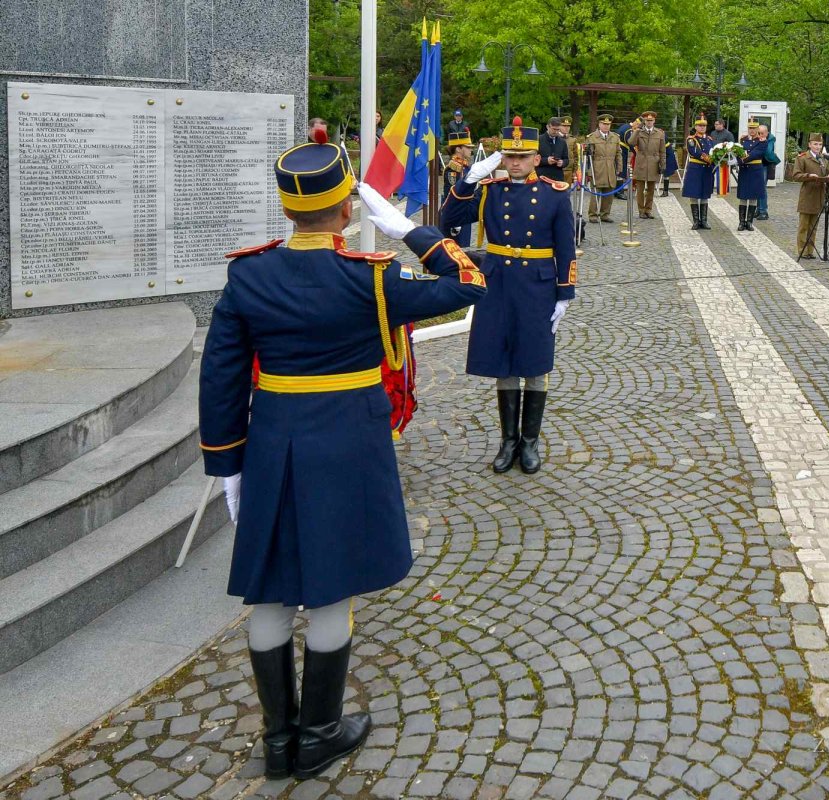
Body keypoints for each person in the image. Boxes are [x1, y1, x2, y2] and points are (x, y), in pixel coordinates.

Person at [200, 135, 486, 781]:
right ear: (347, 209)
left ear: (287, 208)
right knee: (331, 588)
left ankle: (280, 740)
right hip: (349, 443)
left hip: (273, 441)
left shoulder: (248, 274)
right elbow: (469, 282)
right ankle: (320, 734)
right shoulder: (373, 276)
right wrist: (411, 230)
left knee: (270, 591)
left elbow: (220, 377)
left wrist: (226, 462)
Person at [440, 116, 576, 474]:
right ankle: (508, 440)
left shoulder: (554, 194)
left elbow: (566, 248)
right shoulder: (491, 191)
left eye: (522, 156)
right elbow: (448, 217)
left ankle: (529, 441)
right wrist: (470, 178)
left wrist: (565, 293)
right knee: (504, 361)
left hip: (537, 286)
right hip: (499, 282)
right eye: (509, 156)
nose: (515, 163)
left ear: (536, 158)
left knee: (534, 361)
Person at [789, 133, 829, 259]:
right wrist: (808, 176)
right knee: (804, 226)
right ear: (809, 144)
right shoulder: (803, 158)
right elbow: (796, 175)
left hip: (819, 195)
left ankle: (810, 250)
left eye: (820, 144)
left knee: (813, 226)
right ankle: (802, 251)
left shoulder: (823, 159)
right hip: (807, 195)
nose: (817, 147)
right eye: (815, 144)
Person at [584, 113, 622, 223]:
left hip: (610, 168)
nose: (606, 126)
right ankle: (593, 215)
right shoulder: (592, 137)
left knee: (609, 193)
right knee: (596, 193)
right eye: (603, 124)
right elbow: (587, 157)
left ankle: (605, 214)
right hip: (597, 168)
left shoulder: (615, 137)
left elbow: (618, 153)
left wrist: (619, 167)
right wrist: (588, 171)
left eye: (608, 124)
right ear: (599, 124)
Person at [630, 111, 667, 219]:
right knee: (640, 189)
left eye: (651, 120)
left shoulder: (659, 133)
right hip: (641, 163)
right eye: (647, 120)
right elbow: (631, 142)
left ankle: (648, 210)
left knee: (651, 190)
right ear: (644, 121)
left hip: (653, 163)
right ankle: (641, 210)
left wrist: (663, 164)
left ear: (654, 121)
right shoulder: (639, 132)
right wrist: (637, 130)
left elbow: (662, 151)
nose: (649, 122)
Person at [440, 131, 474, 245]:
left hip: (464, 212)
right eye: (467, 147)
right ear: (458, 149)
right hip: (455, 214)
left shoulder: (465, 166)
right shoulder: (453, 168)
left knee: (462, 247)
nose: (470, 150)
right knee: (452, 248)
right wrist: (455, 220)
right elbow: (451, 194)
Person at [682, 116, 716, 229]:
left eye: (704, 126)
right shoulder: (691, 139)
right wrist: (708, 159)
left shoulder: (710, 140)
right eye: (700, 125)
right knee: (694, 194)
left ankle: (704, 221)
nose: (702, 127)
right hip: (695, 169)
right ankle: (696, 221)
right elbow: (694, 152)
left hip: (706, 170)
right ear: (696, 126)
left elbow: (714, 152)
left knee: (705, 194)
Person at [735, 124, 770, 230]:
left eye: (754, 128)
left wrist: (741, 160)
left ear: (757, 129)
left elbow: (756, 154)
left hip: (755, 171)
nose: (752, 130)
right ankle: (742, 222)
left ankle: (749, 222)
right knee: (743, 196)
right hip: (745, 170)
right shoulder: (743, 140)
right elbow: (737, 152)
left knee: (753, 197)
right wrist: (737, 159)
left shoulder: (762, 141)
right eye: (750, 128)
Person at [756, 123, 779, 220]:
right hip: (757, 164)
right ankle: (758, 209)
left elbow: (768, 152)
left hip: (764, 165)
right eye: (759, 133)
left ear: (767, 132)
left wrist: (762, 144)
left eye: (762, 133)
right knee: (757, 188)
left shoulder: (770, 139)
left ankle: (763, 211)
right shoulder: (758, 137)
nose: (760, 135)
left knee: (762, 188)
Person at [537, 117, 569, 182]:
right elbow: (532, 159)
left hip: (558, 178)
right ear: (547, 127)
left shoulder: (562, 142)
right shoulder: (538, 140)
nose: (556, 132)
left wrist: (562, 163)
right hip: (541, 178)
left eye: (558, 130)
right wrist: (546, 160)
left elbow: (566, 159)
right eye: (554, 129)